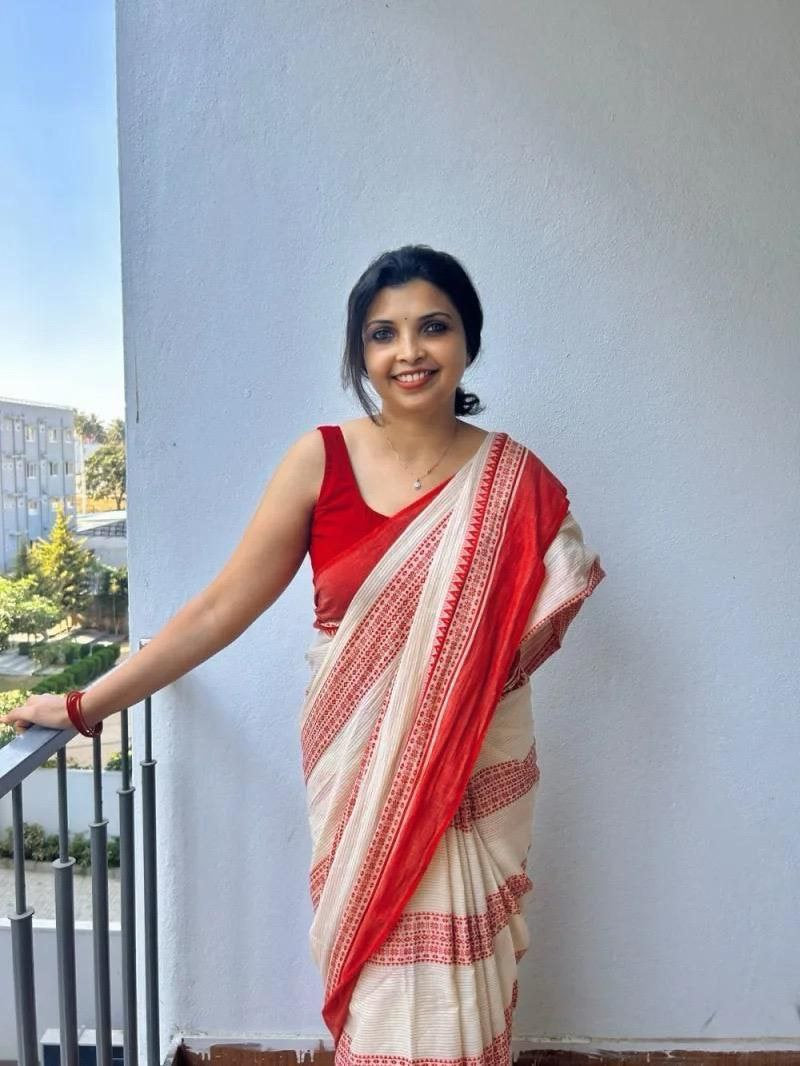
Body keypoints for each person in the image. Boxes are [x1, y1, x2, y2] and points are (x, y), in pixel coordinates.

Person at [1, 244, 606, 1063]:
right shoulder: (321, 458)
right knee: (386, 991)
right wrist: (82, 706)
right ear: (360, 352)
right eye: (383, 333)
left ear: (469, 337)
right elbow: (219, 609)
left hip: (468, 776)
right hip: (359, 774)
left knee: (461, 989)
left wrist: (445, 704)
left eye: (433, 326)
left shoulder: (513, 482)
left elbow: (521, 629)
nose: (409, 351)